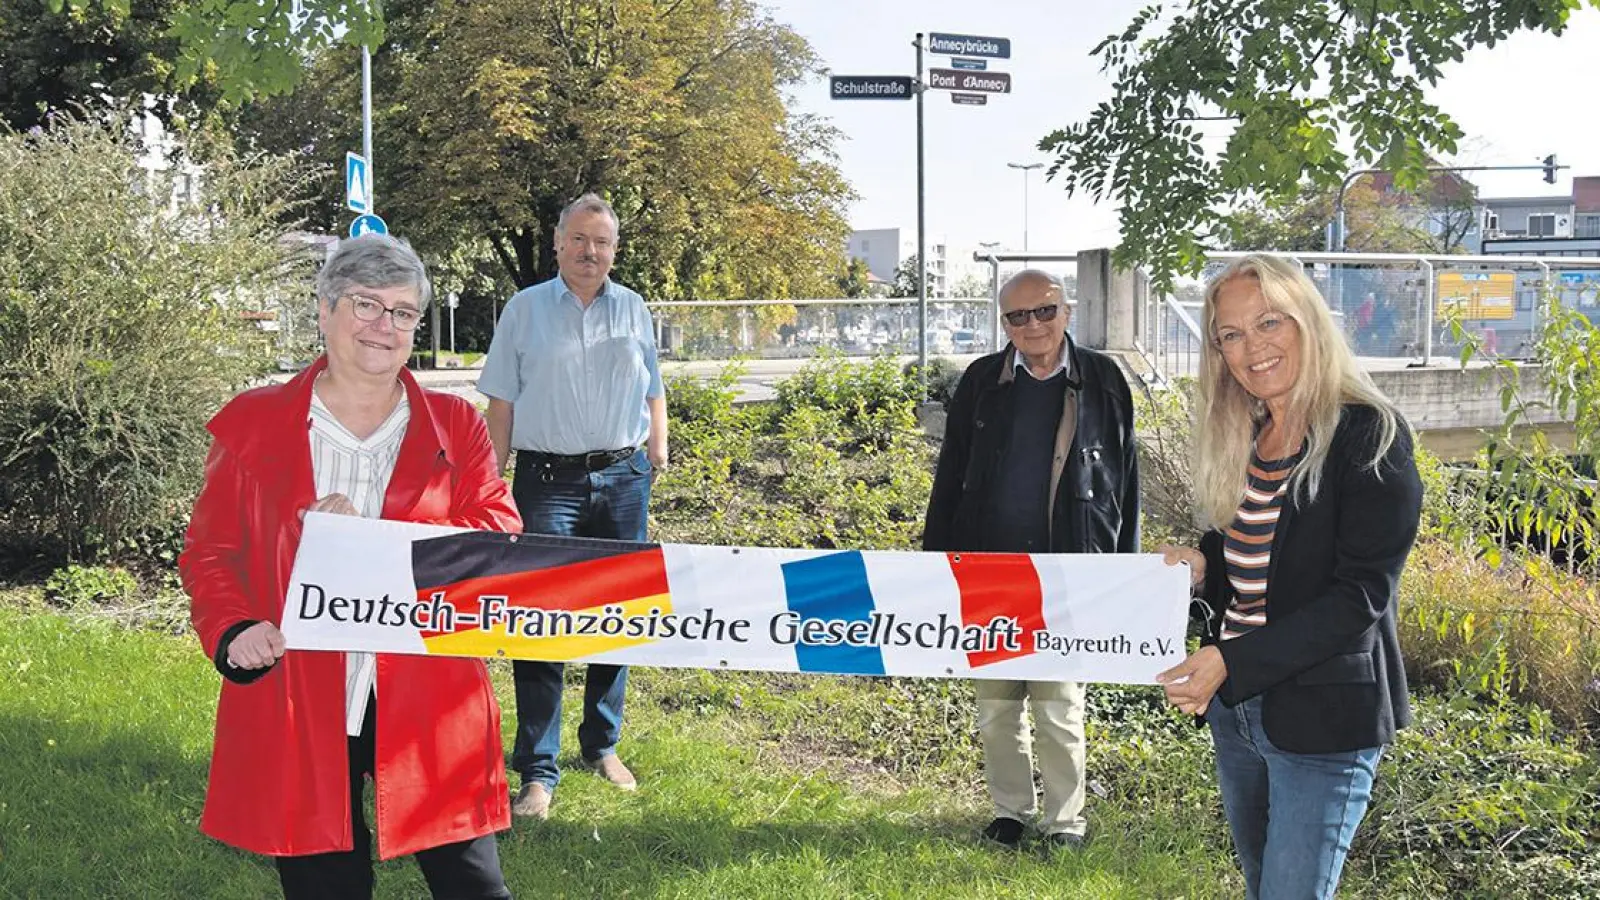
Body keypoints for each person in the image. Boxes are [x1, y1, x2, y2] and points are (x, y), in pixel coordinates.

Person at [181, 234, 521, 899]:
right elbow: (210, 552)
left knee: (473, 886)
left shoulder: (456, 423)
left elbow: (497, 534)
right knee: (324, 887)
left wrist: (380, 539)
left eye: (401, 312)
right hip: (300, 692)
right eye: (366, 305)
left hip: (429, 690)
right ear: (325, 311)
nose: (383, 326)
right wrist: (232, 628)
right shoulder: (254, 424)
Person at [1156, 253, 1423, 900]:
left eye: (1270, 322)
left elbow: (1358, 597)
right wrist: (1203, 568)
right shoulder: (1246, 433)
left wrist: (1230, 660)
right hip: (1239, 714)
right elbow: (1258, 566)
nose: (1253, 349)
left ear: (1308, 323)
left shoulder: (1370, 434)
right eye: (1232, 335)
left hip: (1325, 722)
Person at [922, 269, 1140, 852]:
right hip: (990, 572)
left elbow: (1125, 481)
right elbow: (951, 477)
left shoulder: (1104, 379)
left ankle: (1066, 822)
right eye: (1018, 317)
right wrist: (935, 564)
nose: (1033, 325)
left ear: (1066, 311)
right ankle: (1010, 812)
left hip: (1068, 572)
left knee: (1059, 706)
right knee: (997, 707)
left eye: (1044, 311)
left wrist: (1124, 571)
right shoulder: (980, 381)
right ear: (1005, 324)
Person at [478, 193, 668, 820]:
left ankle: (602, 744)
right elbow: (500, 402)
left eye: (603, 242)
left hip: (622, 479)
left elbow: (653, 388)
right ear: (559, 242)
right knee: (543, 623)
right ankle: (537, 769)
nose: (592, 252)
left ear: (615, 249)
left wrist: (656, 451)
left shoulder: (635, 307)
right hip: (547, 482)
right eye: (580, 239)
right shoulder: (525, 310)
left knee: (621, 615)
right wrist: (491, 483)